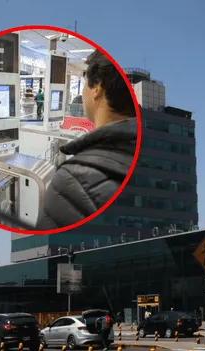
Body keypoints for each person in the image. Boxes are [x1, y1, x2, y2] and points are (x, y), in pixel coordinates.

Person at [35, 50, 137, 230]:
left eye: (84, 84)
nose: (82, 93)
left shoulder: (71, 178)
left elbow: (46, 244)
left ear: (96, 87)